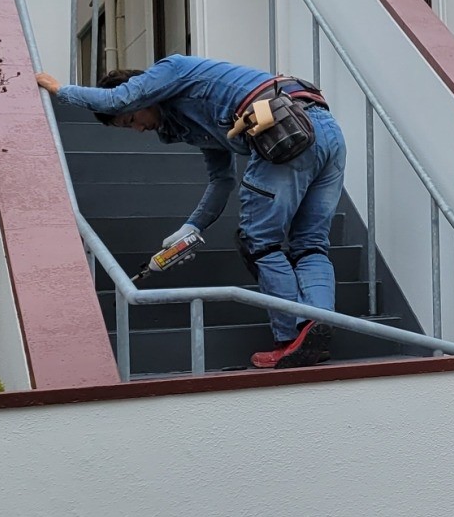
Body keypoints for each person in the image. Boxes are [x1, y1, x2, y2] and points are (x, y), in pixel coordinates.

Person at [36, 56, 346, 370]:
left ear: (144, 93)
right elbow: (221, 179)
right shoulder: (190, 123)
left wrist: (60, 90)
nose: (139, 129)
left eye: (131, 120)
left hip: (285, 131)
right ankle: (314, 329)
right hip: (322, 131)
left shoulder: (171, 69)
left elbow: (118, 98)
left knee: (260, 243)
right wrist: (192, 226)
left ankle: (288, 337)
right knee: (310, 244)